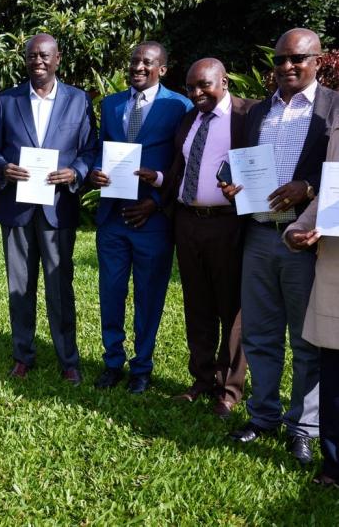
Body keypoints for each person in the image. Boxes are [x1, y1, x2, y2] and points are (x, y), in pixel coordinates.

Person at [222, 28, 337, 465]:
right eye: (281, 60)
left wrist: (306, 187)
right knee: (259, 334)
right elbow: (236, 161)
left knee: (306, 339)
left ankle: (303, 427)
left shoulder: (333, 108)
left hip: (304, 242)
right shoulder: (257, 112)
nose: (288, 66)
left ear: (318, 60)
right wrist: (231, 183)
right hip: (257, 235)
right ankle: (263, 416)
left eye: (298, 58)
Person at [0, 33, 97, 383]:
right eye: (32, 56)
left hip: (57, 208)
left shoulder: (78, 101)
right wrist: (3, 167)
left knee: (60, 285)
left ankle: (68, 359)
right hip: (17, 207)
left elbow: (91, 149)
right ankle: (23, 354)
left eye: (45, 56)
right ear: (26, 59)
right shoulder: (7, 100)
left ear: (58, 58)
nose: (38, 61)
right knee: (20, 285)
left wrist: (75, 171)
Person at [90, 41, 192, 394]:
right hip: (113, 218)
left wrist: (158, 202)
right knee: (111, 292)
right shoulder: (112, 103)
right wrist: (94, 172)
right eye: (133, 61)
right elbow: (97, 150)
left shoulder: (179, 105)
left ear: (162, 68)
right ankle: (112, 362)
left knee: (149, 296)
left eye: (146, 63)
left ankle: (142, 367)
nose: (137, 68)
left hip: (152, 219)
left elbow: (184, 163)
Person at [159, 58, 254, 416]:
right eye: (191, 87)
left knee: (231, 309)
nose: (197, 93)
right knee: (197, 304)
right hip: (188, 222)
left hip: (227, 223)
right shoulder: (190, 118)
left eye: (204, 85)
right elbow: (178, 169)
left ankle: (229, 390)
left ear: (224, 81)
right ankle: (201, 378)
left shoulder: (248, 116)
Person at [285, 116, 339, 485]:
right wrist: (297, 230)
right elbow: (331, 192)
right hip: (334, 264)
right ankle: (334, 465)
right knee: (333, 370)